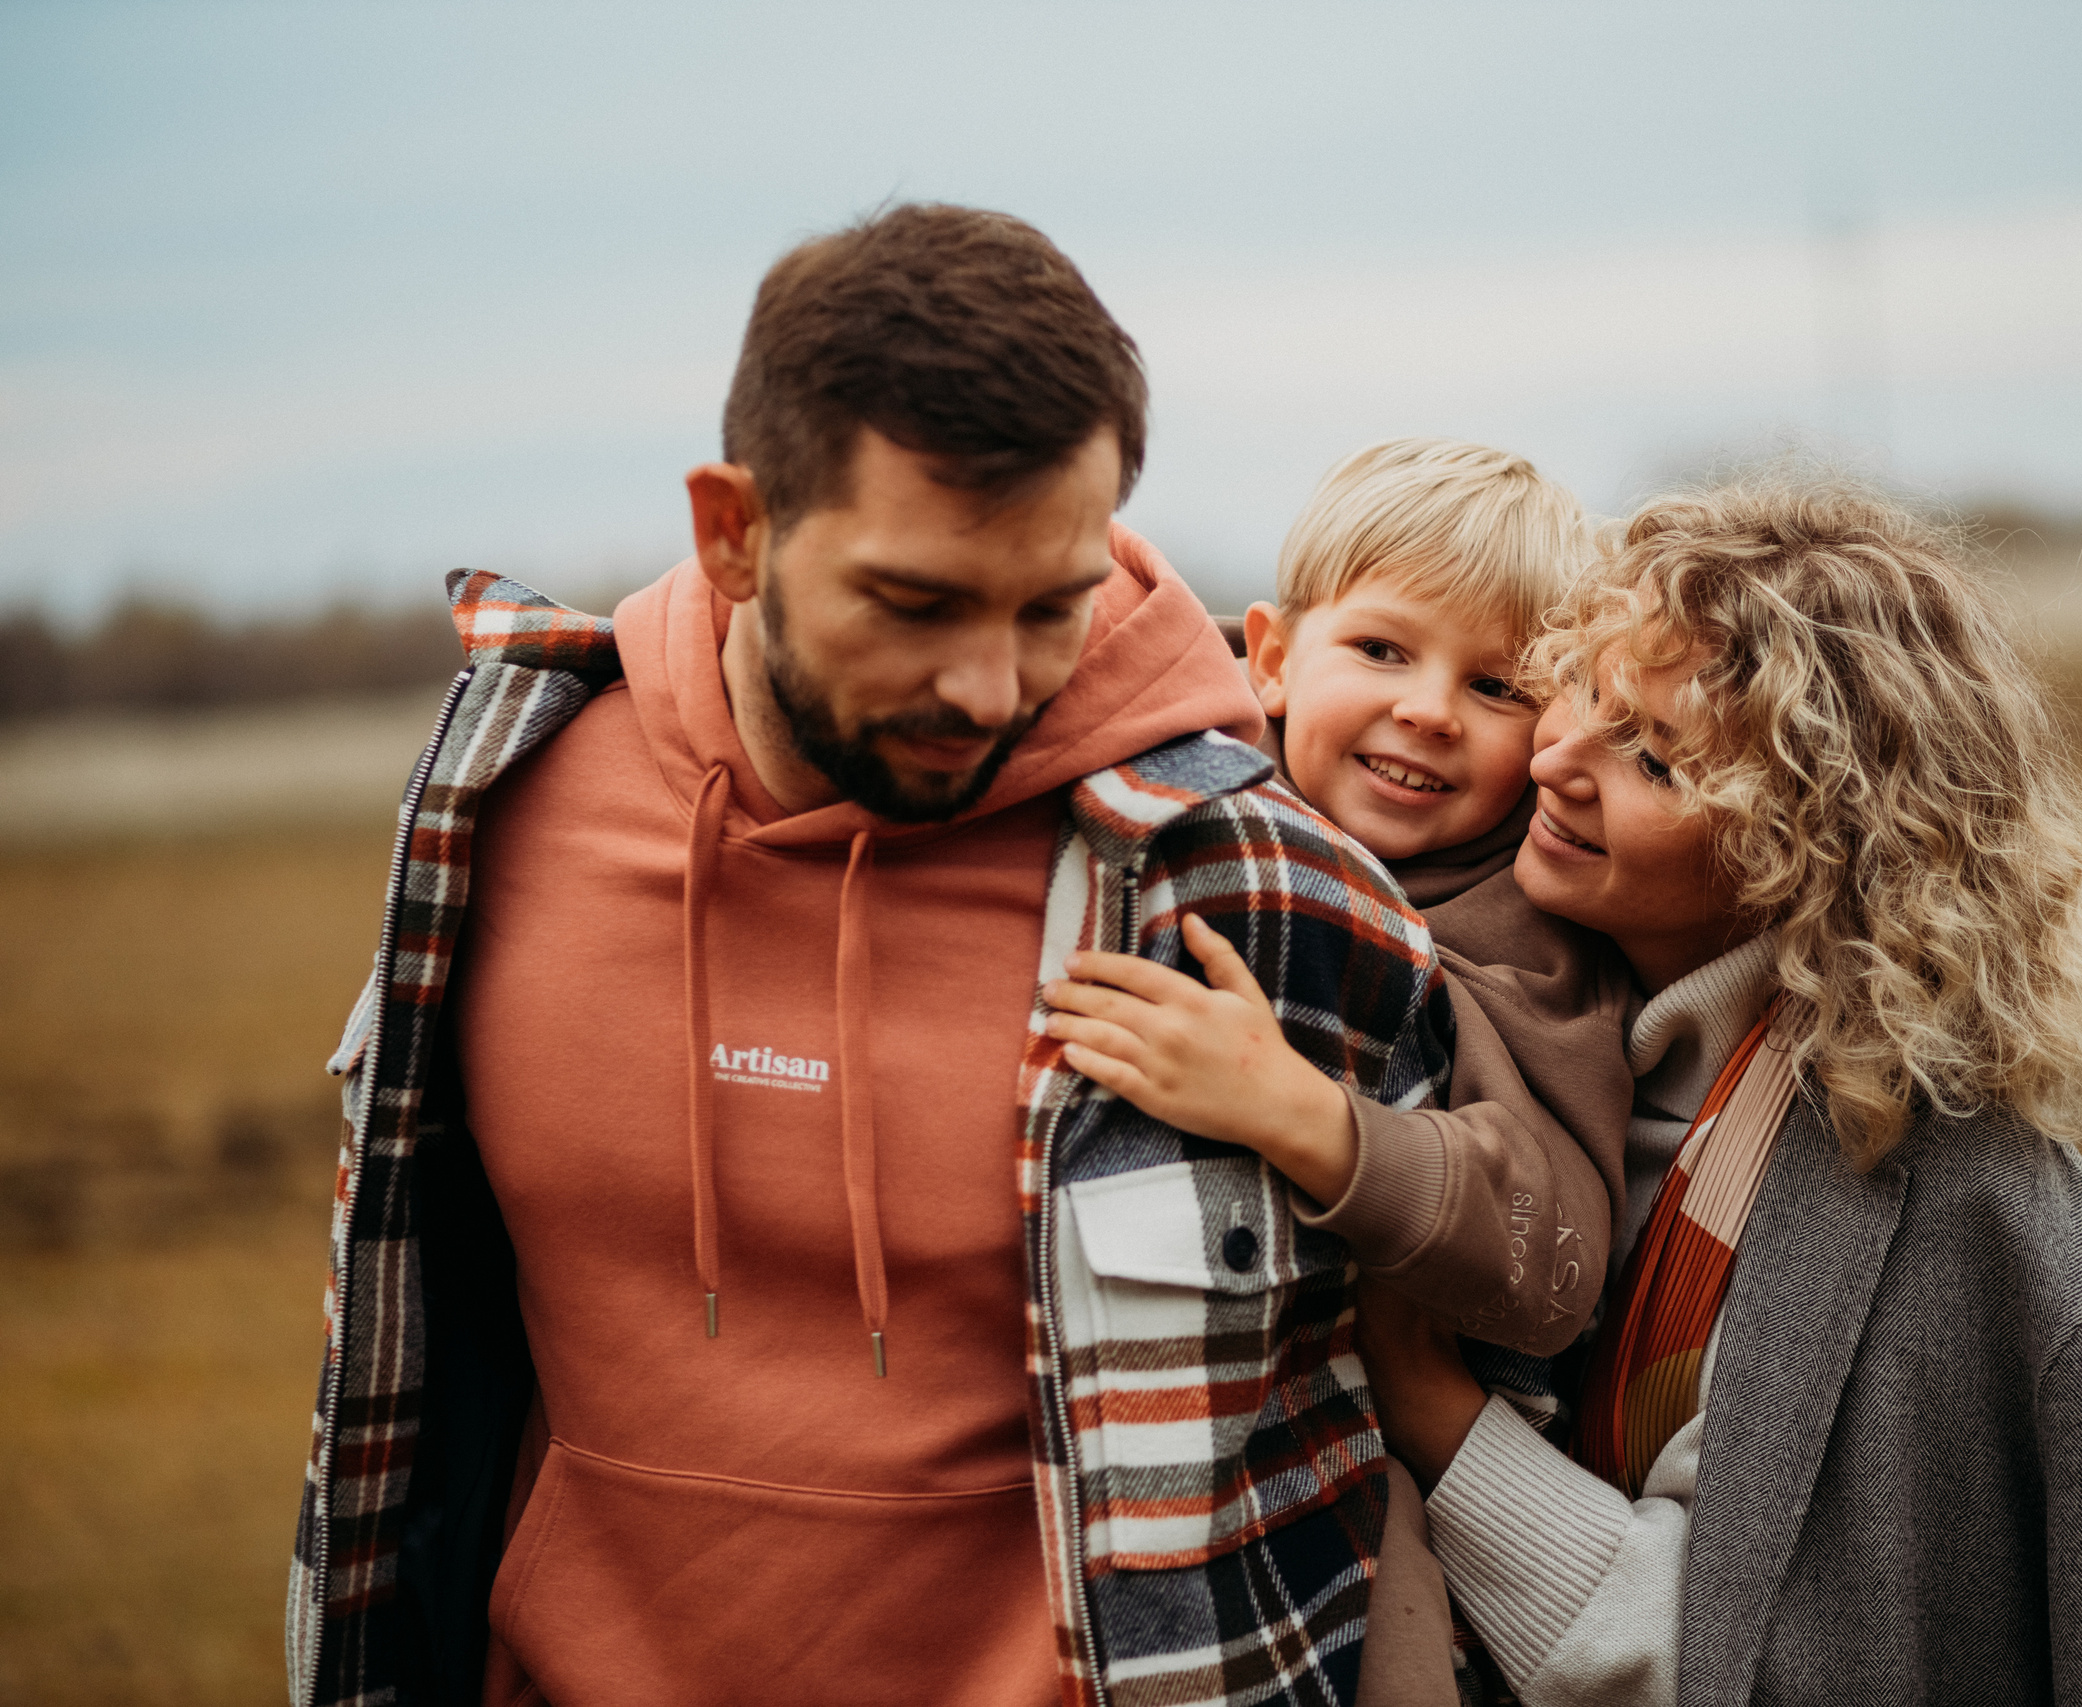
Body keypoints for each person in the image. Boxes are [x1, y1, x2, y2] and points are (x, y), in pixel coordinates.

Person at [286, 203, 1450, 1707]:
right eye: (916, 604)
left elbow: (1471, 1360)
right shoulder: (493, 809)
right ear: (736, 528)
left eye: (1052, 605)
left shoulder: (1238, 880)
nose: (987, 684)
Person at [1360, 473, 2082, 1706]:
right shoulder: (1491, 1027)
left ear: (1810, 845)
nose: (1556, 759)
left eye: (1652, 758)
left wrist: (1432, 1412)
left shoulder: (1954, 1203)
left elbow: (1734, 1652)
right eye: (1587, 692)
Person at [1045, 438, 1635, 1702]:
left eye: (1494, 685)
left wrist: (1305, 1117)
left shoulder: (1527, 944)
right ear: (1268, 655)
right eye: (1381, 651)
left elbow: (1556, 1260)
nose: (1428, 708)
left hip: (1387, 1465)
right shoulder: (1185, 821)